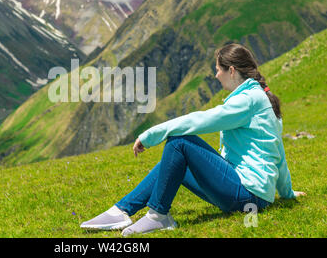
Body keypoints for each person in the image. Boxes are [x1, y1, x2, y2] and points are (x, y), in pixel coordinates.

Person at [80, 43, 306, 236]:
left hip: (247, 196)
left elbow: (202, 120)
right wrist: (287, 193)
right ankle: (122, 211)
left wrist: (151, 135)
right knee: (173, 161)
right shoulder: (263, 99)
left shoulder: (248, 100)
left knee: (179, 142)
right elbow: (278, 155)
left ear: (232, 71)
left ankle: (159, 215)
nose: (216, 75)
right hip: (253, 197)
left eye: (218, 70)